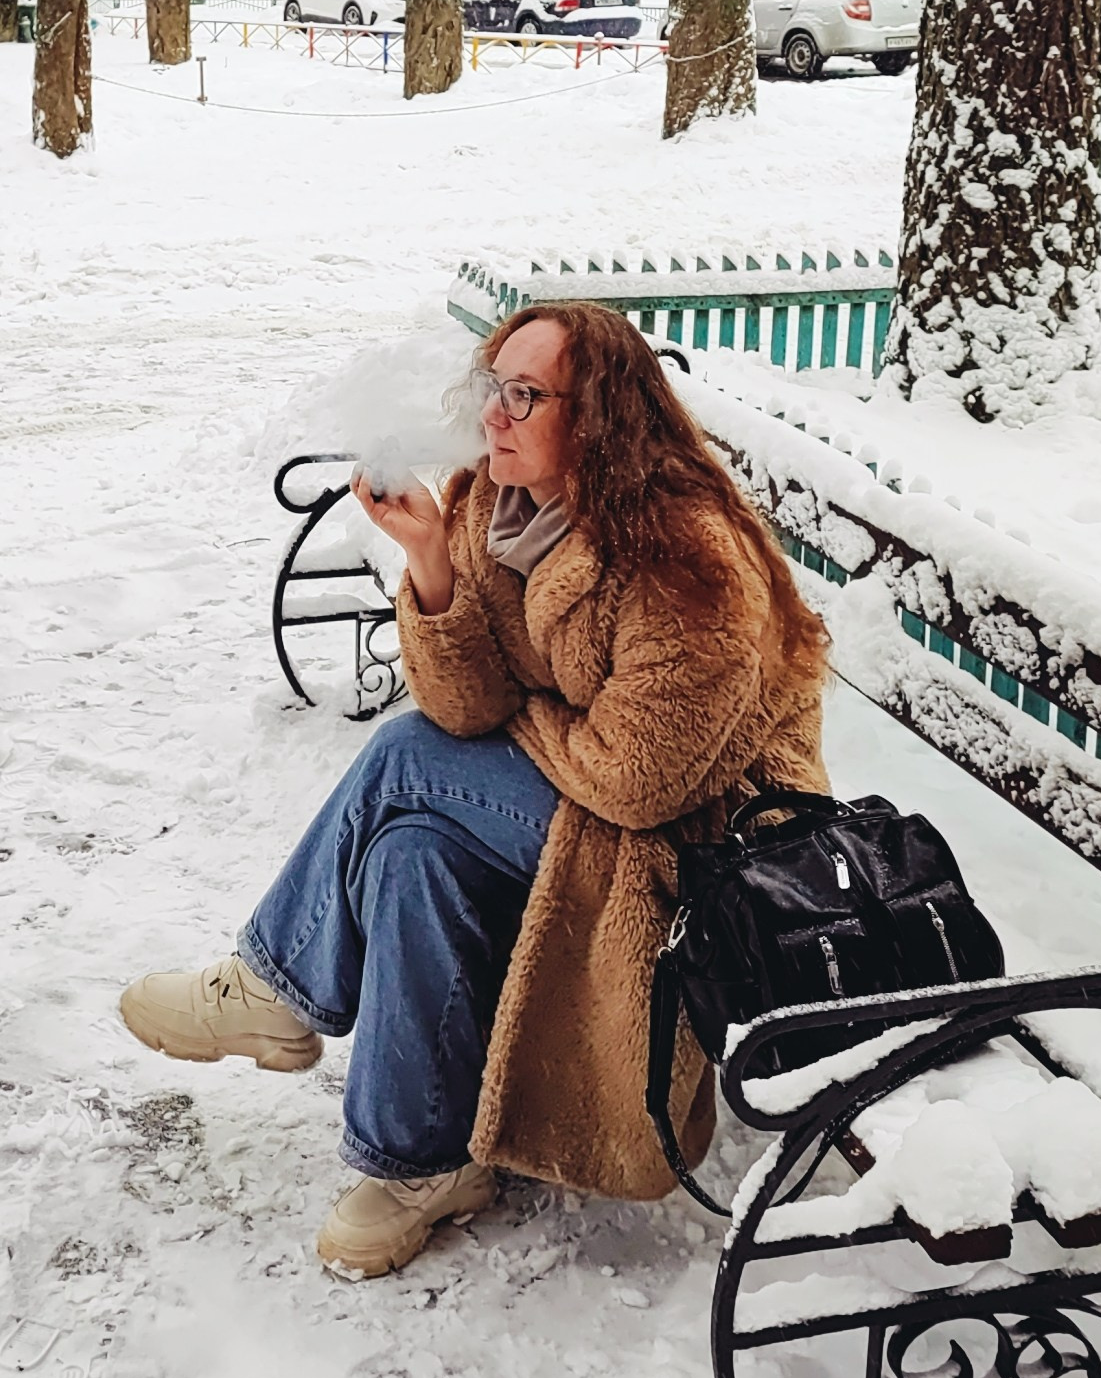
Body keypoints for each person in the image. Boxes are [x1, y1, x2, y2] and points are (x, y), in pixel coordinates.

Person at [119, 303, 830, 1278]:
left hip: (705, 845)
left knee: (405, 757)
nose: (493, 414)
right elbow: (469, 710)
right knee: (411, 852)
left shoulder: (690, 558)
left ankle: (272, 990)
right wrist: (429, 563)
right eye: (492, 386)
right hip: (586, 799)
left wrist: (523, 724)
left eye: (525, 395)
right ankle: (423, 1162)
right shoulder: (497, 508)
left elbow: (638, 780)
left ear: (599, 417)